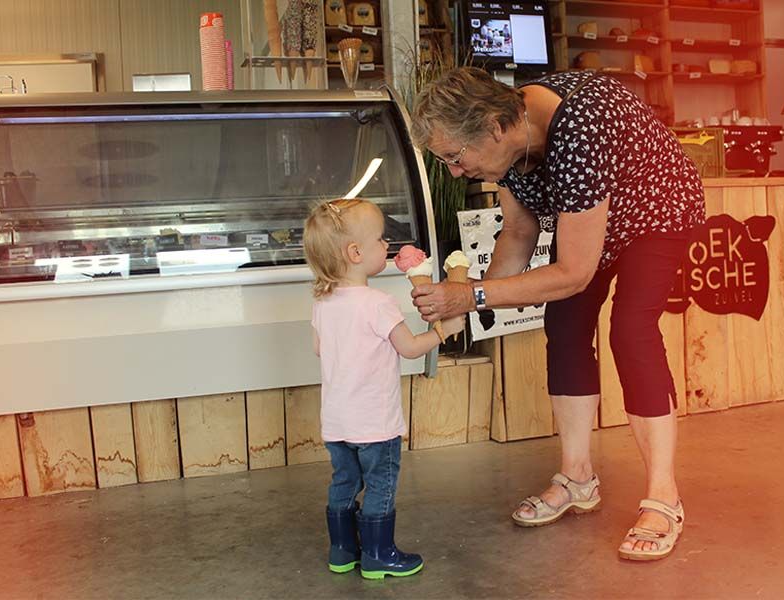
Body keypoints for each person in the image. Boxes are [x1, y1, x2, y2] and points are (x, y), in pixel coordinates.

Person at [410, 67, 705, 561]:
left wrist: (473, 297)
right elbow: (519, 233)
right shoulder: (509, 150)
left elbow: (572, 272)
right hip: (593, 227)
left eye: (455, 157)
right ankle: (577, 477)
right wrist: (472, 301)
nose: (455, 172)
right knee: (564, 324)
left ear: (493, 126)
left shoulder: (581, 126)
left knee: (630, 331)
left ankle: (664, 497)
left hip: (658, 212)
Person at [302, 198, 465, 578]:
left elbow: (318, 348)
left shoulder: (323, 303)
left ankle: (342, 550)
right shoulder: (378, 303)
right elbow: (409, 349)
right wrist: (443, 331)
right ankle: (378, 553)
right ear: (355, 252)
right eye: (380, 239)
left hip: (338, 422)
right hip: (376, 423)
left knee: (344, 481)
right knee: (380, 485)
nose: (387, 246)